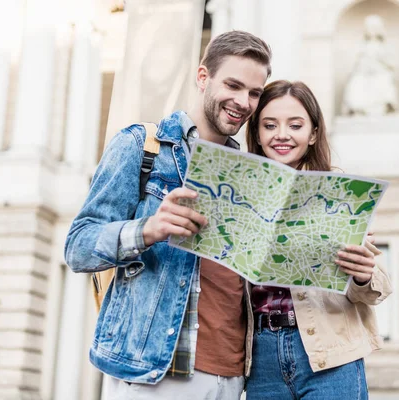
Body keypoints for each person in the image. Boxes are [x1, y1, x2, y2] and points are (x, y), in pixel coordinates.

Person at [64, 31, 272, 400]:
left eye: (254, 93)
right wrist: (149, 229)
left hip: (235, 376)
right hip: (156, 370)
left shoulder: (252, 170)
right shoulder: (141, 145)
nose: (243, 102)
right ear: (203, 77)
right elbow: (77, 247)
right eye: (234, 85)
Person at [245, 80, 393, 399]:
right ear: (256, 133)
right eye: (269, 125)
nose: (281, 134)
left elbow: (375, 288)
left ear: (312, 134)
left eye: (295, 125)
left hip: (330, 354)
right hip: (260, 359)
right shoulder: (240, 196)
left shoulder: (339, 195)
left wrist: (363, 274)